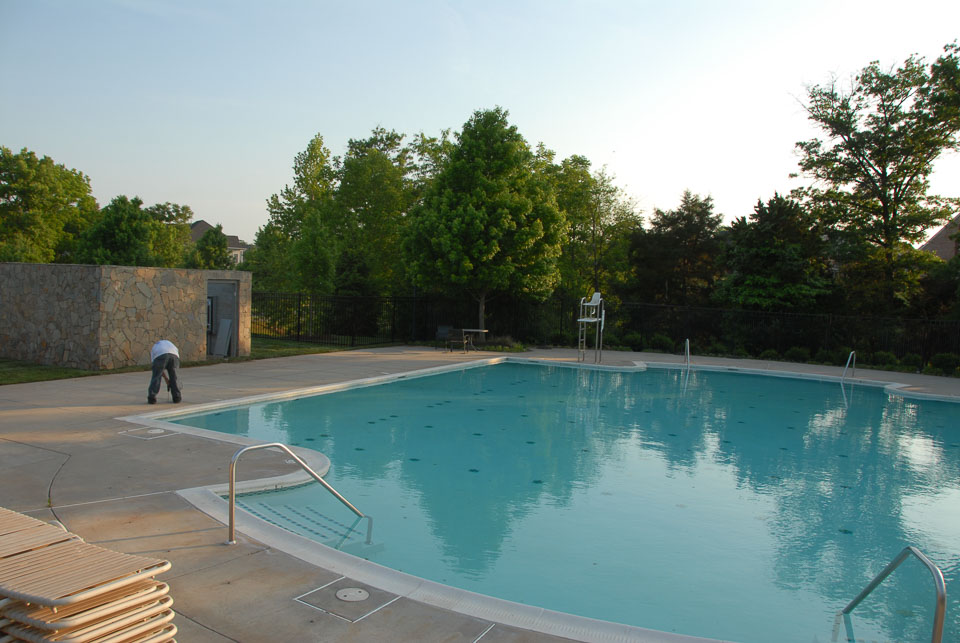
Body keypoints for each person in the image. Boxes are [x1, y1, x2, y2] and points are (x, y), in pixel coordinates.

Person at [148, 339, 181, 404]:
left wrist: (166, 379)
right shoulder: (170, 343)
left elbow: (159, 370)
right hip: (174, 354)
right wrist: (167, 380)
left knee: (156, 377)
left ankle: (152, 398)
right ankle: (177, 397)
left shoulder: (154, 348)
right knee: (174, 377)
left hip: (160, 355)